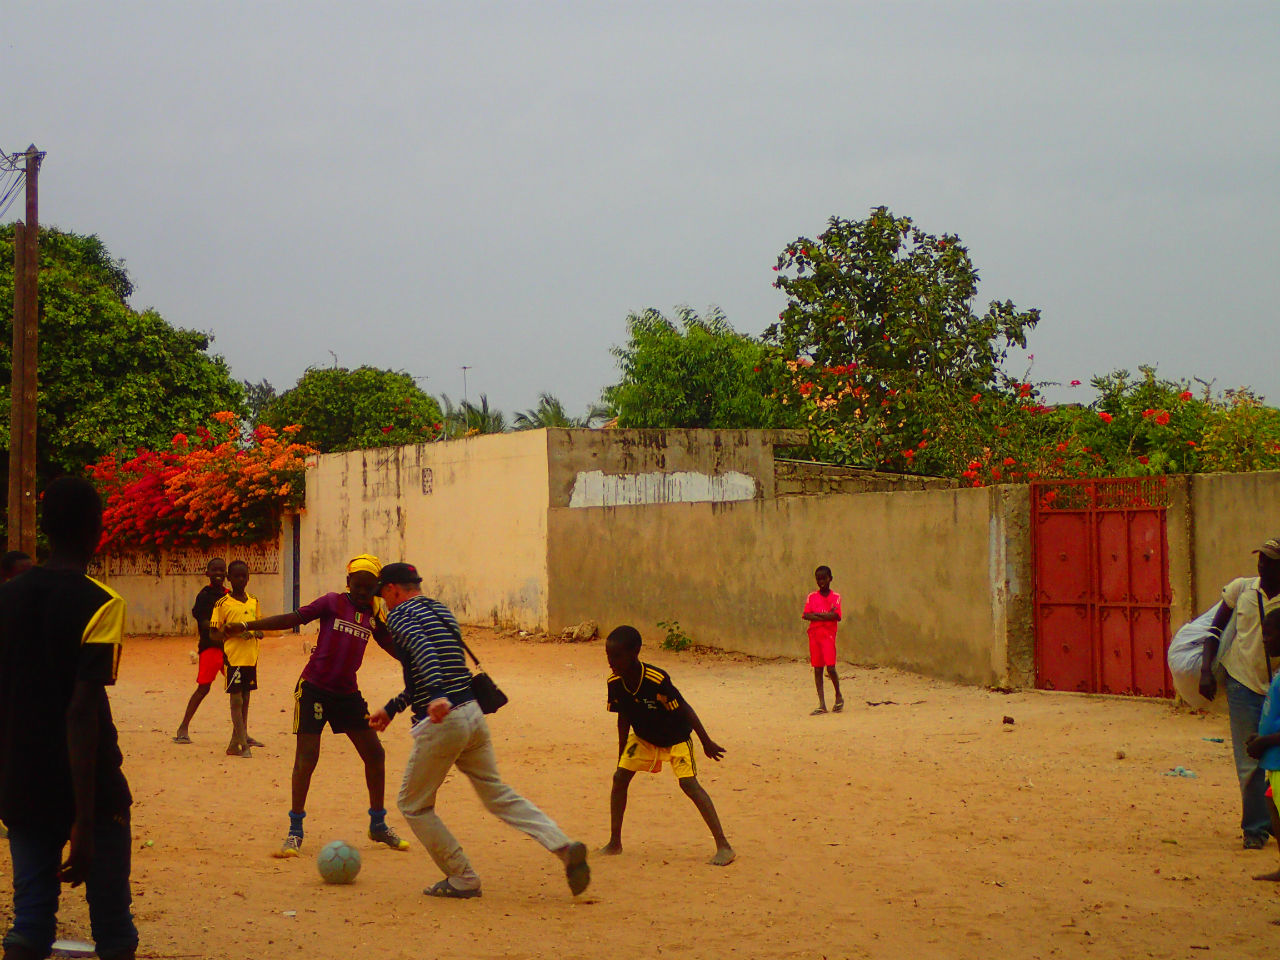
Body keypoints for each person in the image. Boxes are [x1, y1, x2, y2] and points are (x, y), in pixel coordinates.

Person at [368, 562, 590, 899]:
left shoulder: (400, 616)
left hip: (444, 722)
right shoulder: (440, 611)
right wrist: (394, 707)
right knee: (497, 794)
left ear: (392, 590)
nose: (384, 604)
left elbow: (423, 653)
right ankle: (563, 845)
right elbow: (439, 664)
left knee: (413, 805)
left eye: (383, 596)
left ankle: (462, 878)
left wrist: (439, 695)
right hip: (472, 714)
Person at [0, 477, 138, 960]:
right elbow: (81, 712)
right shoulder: (101, 602)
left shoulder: (8, 598)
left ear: (46, 530)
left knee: (30, 922)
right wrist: (82, 818)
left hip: (23, 778)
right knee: (114, 929)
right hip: (91, 785)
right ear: (95, 531)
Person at [224, 554, 409, 857]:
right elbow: (292, 618)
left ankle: (377, 825)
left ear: (376, 587)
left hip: (347, 694)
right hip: (314, 690)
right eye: (358, 586)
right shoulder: (332, 602)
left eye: (368, 587)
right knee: (307, 758)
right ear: (348, 583)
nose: (362, 592)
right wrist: (246, 624)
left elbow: (394, 648)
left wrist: (424, 660)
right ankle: (295, 830)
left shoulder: (374, 614)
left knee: (375, 754)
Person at [600, 624, 735, 866]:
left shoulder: (656, 679)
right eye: (608, 656)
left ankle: (724, 845)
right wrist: (622, 753)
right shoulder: (615, 682)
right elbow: (623, 716)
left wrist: (706, 741)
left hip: (675, 738)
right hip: (643, 738)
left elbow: (684, 708)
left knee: (689, 784)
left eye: (617, 656)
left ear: (635, 652)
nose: (611, 661)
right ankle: (614, 842)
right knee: (619, 778)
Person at [1200, 536, 1280, 849]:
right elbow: (1214, 630)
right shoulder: (1242, 589)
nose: (1261, 566)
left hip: (1275, 687)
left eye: (1269, 562)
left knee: (1273, 758)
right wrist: (1206, 671)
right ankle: (1255, 830)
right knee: (1250, 760)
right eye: (1260, 559)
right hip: (1243, 683)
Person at [210, 560, 263, 758]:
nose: (240, 580)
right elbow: (214, 634)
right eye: (236, 576)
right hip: (233, 657)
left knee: (246, 698)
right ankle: (243, 743)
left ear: (248, 578)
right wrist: (231, 632)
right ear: (229, 579)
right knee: (236, 700)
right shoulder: (222, 604)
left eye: (244, 576)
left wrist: (257, 632)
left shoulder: (254, 601)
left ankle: (235, 742)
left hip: (251, 657)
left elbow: (259, 625)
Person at [172, 558, 227, 744]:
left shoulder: (229, 595)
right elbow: (203, 622)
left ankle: (242, 734)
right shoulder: (204, 596)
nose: (218, 573)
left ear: (226, 573)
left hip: (229, 649)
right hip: (211, 647)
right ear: (207, 573)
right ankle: (183, 727)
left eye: (221, 570)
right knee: (203, 688)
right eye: (214, 570)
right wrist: (223, 630)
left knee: (240, 689)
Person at [1246, 610, 1280, 881]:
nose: (1264, 640)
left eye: (1269, 634)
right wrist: (1258, 739)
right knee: (1274, 813)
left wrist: (1264, 742)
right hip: (1273, 761)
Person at [803, 565, 844, 715]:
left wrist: (817, 616)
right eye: (818, 579)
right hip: (814, 636)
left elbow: (836, 616)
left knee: (831, 667)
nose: (821, 582)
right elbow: (806, 615)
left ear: (830, 579)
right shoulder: (812, 596)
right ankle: (822, 703)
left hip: (828, 636)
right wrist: (826, 615)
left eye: (824, 578)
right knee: (818, 668)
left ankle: (838, 694)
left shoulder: (836, 597)